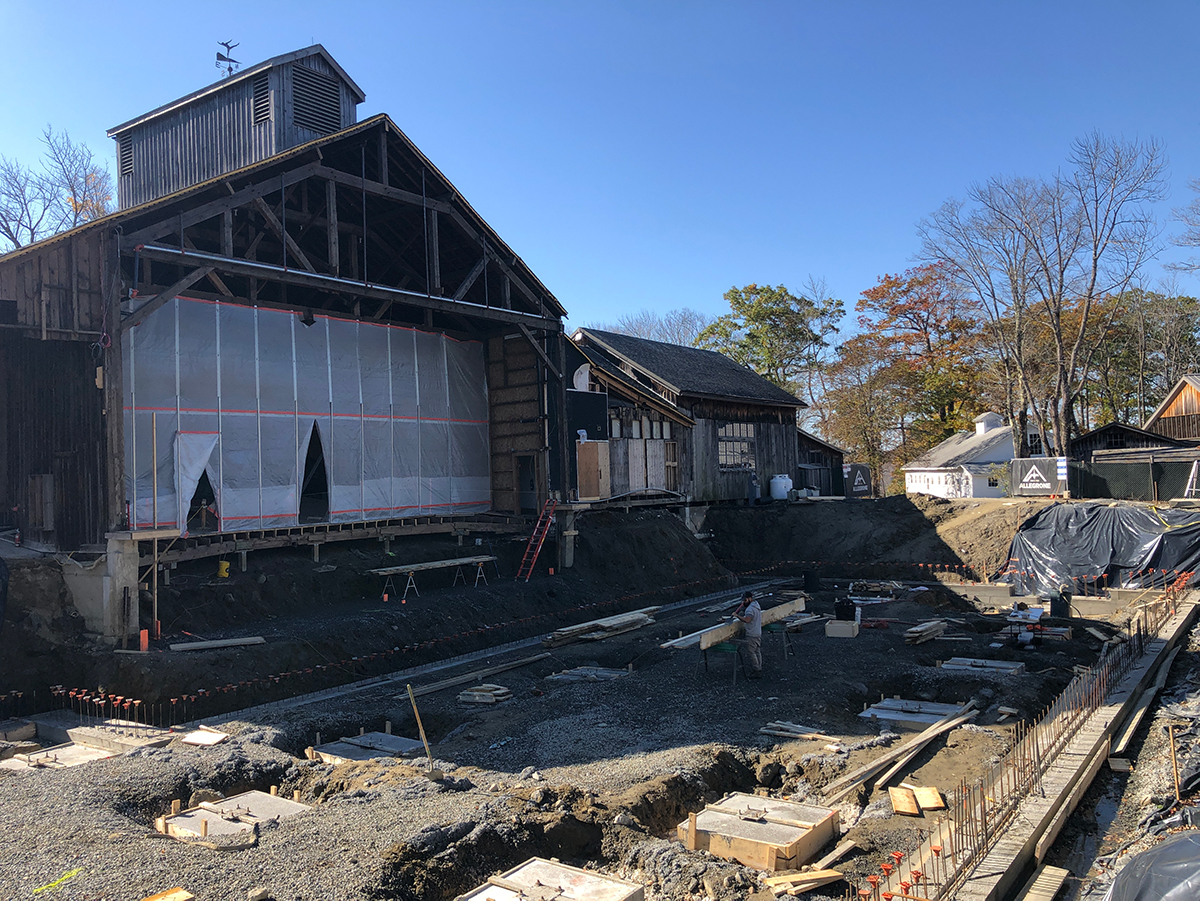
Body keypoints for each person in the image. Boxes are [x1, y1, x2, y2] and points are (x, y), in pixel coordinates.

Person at [733, 590, 762, 678]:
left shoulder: (750, 609)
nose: (743, 602)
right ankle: (759, 667)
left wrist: (737, 616)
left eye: (745, 600)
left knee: (751, 652)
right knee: (757, 651)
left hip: (752, 633)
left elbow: (748, 620)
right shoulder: (756, 605)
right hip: (757, 632)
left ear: (750, 598)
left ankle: (757, 670)